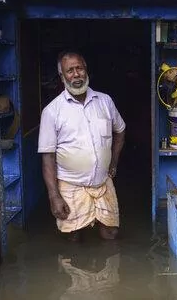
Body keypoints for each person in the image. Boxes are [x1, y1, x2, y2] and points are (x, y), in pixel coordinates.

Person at [38, 51, 126, 241]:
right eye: (70, 71)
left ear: (87, 71)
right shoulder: (52, 111)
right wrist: (54, 196)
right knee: (73, 237)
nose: (76, 74)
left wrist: (113, 162)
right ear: (62, 77)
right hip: (70, 185)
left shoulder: (105, 101)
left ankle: (110, 271)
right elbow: (48, 157)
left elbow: (120, 130)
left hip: (103, 181)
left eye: (79, 68)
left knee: (110, 233)